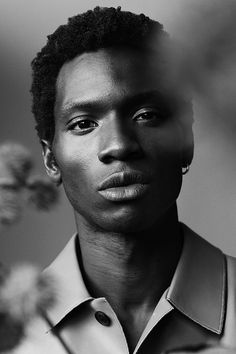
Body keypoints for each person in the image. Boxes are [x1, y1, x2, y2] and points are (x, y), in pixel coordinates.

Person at [29, 6, 236, 354]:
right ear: (51, 159)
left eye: (146, 115)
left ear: (186, 141)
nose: (119, 145)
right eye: (83, 124)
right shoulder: (14, 329)